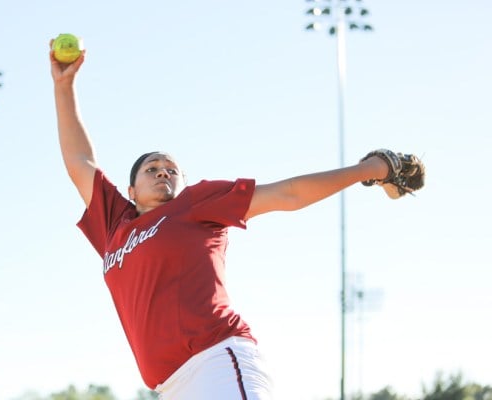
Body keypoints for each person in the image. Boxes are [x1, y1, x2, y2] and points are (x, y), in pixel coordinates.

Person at [50, 44, 392, 400]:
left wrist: (371, 169)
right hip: (169, 387)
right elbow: (80, 160)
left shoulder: (194, 204)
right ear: (131, 189)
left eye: (171, 170)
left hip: (216, 361)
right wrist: (63, 87)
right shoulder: (114, 224)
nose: (163, 172)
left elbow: (287, 194)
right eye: (152, 168)